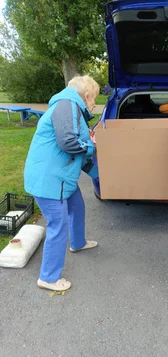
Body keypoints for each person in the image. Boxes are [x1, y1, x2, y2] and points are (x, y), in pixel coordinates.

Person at [24, 75, 100, 291]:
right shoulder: (67, 105)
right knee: (58, 224)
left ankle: (77, 243)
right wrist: (93, 147)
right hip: (49, 180)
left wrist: (100, 175)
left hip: (60, 177)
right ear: (86, 96)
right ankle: (48, 277)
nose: (94, 104)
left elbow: (81, 156)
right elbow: (69, 143)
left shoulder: (72, 109)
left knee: (77, 206)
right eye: (94, 99)